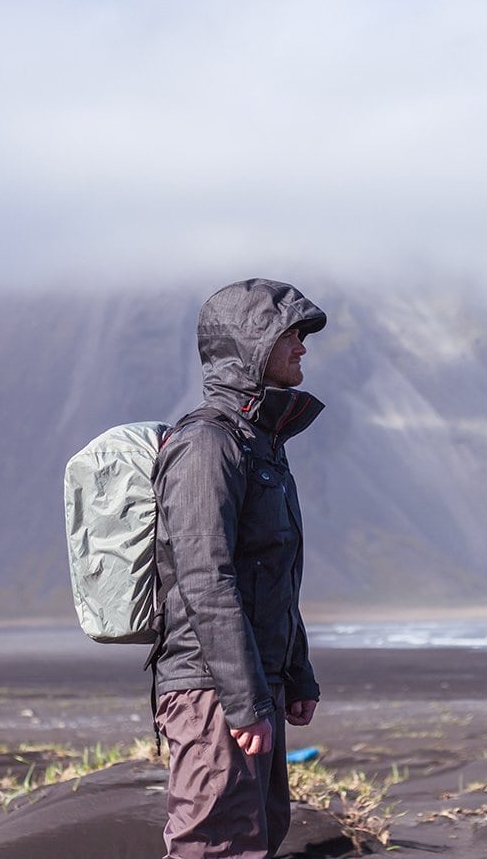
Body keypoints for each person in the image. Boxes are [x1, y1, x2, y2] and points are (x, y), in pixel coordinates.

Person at [150, 278, 327, 859]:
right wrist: (243, 699)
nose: (302, 346)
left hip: (251, 686)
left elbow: (274, 575)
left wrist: (294, 673)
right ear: (250, 343)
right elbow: (206, 578)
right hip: (212, 690)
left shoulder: (260, 443)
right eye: (289, 334)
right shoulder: (208, 443)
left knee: (259, 839)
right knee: (214, 847)